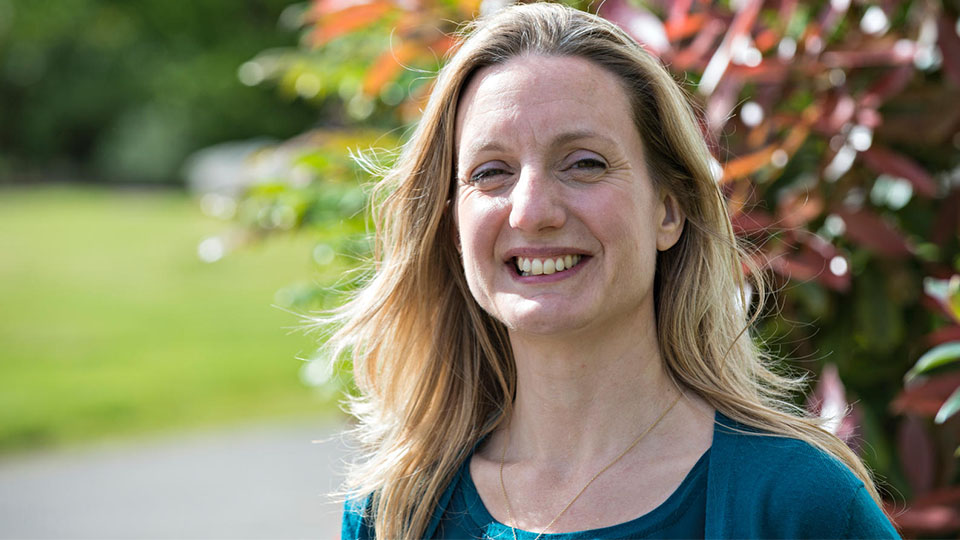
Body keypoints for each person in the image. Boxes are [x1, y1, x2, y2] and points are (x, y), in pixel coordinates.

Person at [333, 3, 899, 539]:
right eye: (491, 172)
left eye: (584, 163)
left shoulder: (798, 504)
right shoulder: (399, 512)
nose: (532, 210)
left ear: (668, 210)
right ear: (452, 224)